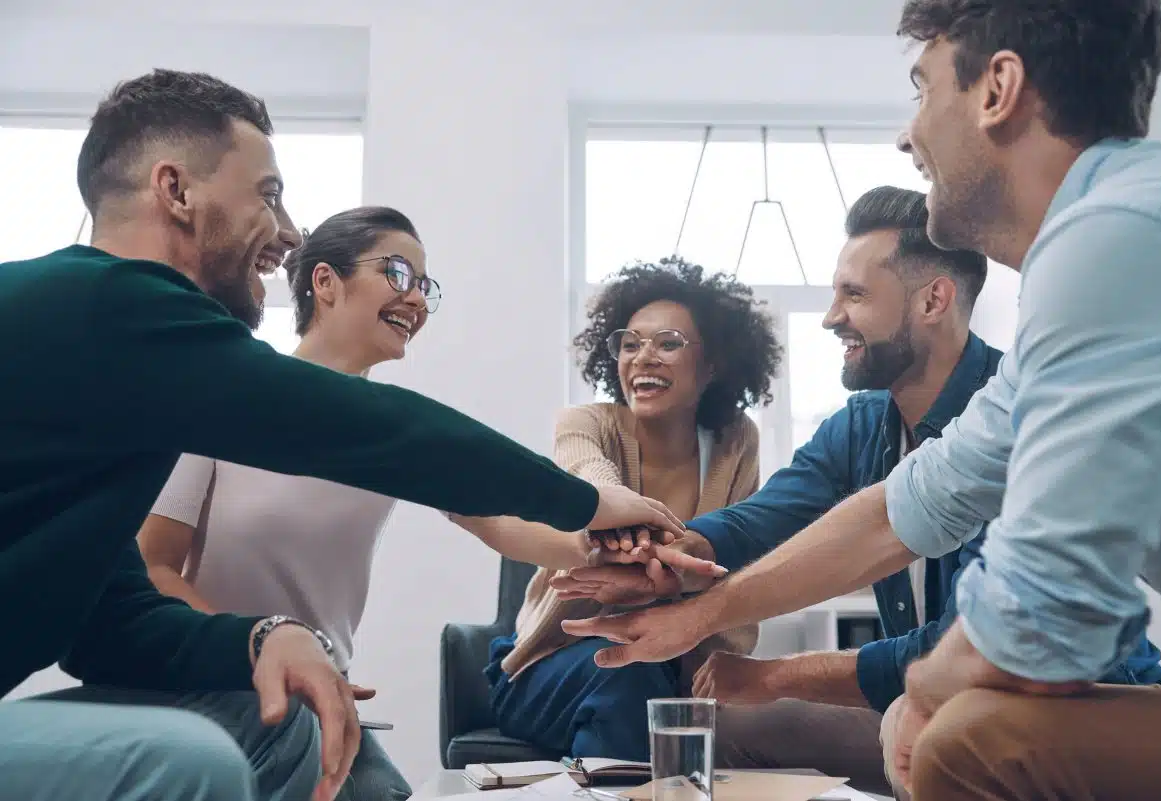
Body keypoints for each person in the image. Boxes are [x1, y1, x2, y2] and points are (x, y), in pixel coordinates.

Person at [563, 1, 1161, 798]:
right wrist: (690, 601)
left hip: (1112, 688)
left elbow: (1043, 615)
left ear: (997, 88)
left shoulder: (1117, 234)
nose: (909, 134)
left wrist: (922, 688)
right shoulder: (1103, 252)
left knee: (966, 736)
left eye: (921, 88)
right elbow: (907, 508)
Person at [0, 69, 686, 801]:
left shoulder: (123, 375)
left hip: (269, 682)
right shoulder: (119, 315)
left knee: (293, 735)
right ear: (176, 191)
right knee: (191, 762)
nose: (289, 232)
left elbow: (112, 619)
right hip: (174, 705)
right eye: (268, 194)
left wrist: (266, 637)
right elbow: (382, 434)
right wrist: (587, 500)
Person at [137, 205, 436, 801]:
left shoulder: (394, 432)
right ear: (325, 282)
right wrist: (260, 647)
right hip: (219, 679)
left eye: (425, 286)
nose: (418, 301)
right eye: (399, 274)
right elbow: (153, 565)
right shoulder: (226, 403)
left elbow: (509, 520)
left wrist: (613, 541)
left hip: (323, 688)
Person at [452, 257, 782, 760]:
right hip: (551, 665)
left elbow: (736, 555)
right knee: (627, 671)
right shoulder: (585, 422)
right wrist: (615, 515)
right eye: (630, 344)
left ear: (712, 365)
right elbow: (588, 475)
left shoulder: (736, 441)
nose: (643, 357)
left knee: (735, 712)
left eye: (667, 343)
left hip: (674, 663)